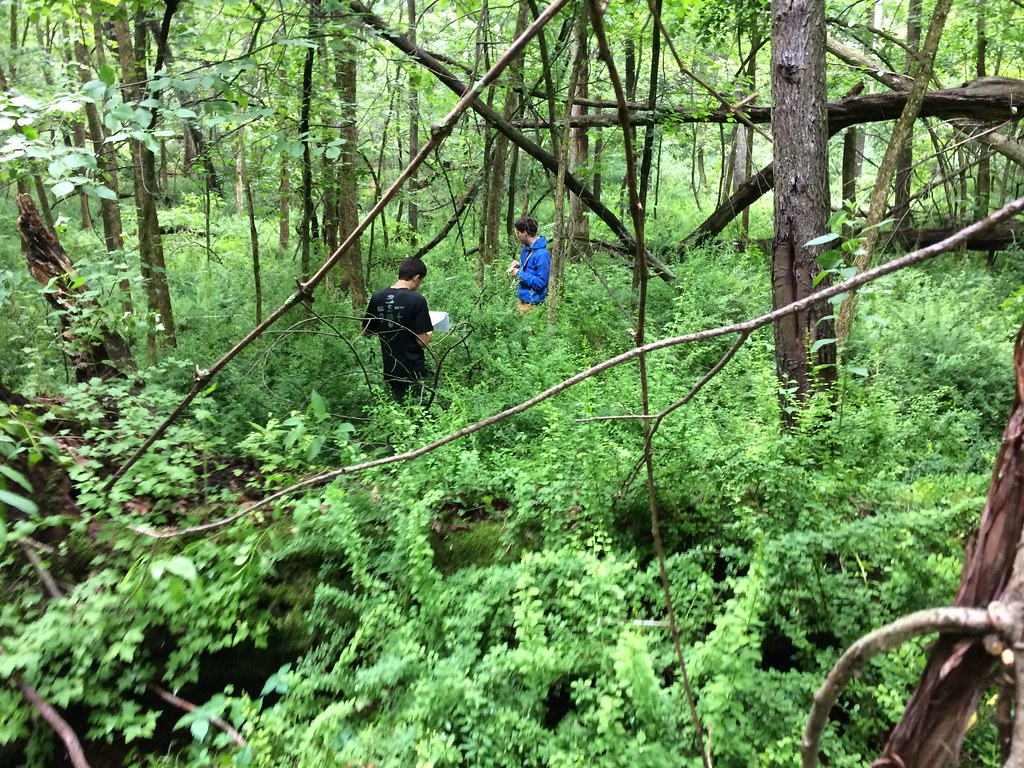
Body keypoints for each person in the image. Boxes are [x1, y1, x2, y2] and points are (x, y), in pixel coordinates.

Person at [362, 256, 433, 403]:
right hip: (414, 369)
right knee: (419, 406)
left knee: (397, 407)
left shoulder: (377, 298)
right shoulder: (417, 300)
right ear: (416, 278)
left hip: (391, 369)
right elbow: (422, 341)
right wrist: (430, 332)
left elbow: (366, 332)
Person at [508, 215, 550, 315]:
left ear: (524, 233)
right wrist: (519, 266)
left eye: (518, 233)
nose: (517, 236)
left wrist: (519, 274)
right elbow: (530, 270)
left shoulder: (542, 255)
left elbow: (541, 283)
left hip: (533, 303)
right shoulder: (526, 249)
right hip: (522, 298)